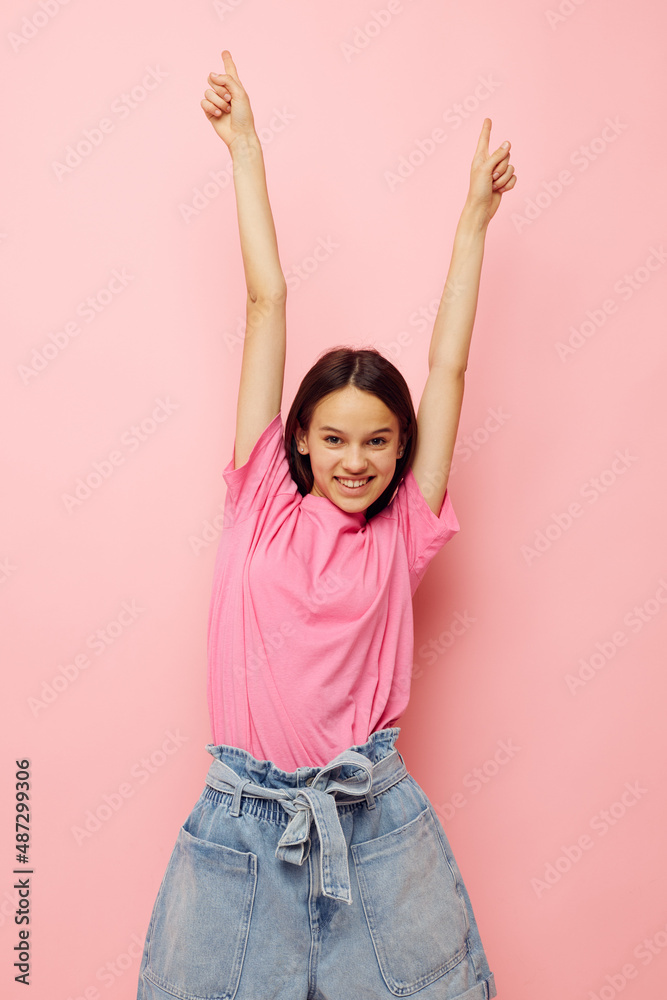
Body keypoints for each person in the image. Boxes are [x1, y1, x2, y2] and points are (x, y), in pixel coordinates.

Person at [136, 49, 516, 1000]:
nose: (357, 459)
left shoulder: (402, 533)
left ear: (399, 453)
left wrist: (473, 223)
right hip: (242, 819)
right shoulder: (260, 498)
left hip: (370, 813)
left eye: (379, 442)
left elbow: (448, 372)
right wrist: (244, 148)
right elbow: (269, 299)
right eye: (336, 437)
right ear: (297, 440)